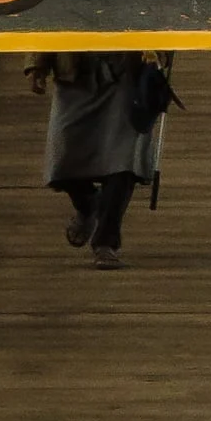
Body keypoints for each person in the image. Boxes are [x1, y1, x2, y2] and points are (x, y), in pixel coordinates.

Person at [29, 52, 172, 268]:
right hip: (74, 75)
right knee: (63, 159)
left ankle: (106, 243)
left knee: (123, 163)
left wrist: (158, 51)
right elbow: (44, 17)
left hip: (126, 74)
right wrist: (36, 65)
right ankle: (88, 205)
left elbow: (161, 19)